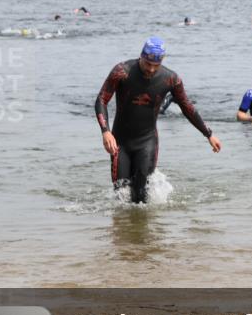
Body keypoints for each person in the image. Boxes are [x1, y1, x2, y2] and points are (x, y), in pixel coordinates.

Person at [95, 36, 221, 203]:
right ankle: (122, 228)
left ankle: (143, 228)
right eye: (148, 64)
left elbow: (187, 108)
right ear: (141, 56)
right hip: (120, 142)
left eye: (156, 65)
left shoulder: (171, 79)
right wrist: (105, 131)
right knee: (121, 194)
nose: (152, 69)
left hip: (147, 142)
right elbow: (101, 100)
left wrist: (209, 134)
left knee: (141, 195)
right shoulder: (122, 71)